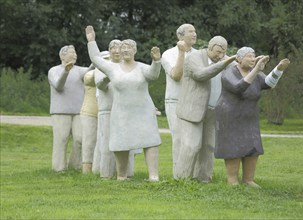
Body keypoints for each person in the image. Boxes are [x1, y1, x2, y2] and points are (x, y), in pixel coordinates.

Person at [85, 25, 162, 181]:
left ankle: (153, 175)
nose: (125, 50)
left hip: (143, 110)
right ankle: (122, 175)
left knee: (150, 140)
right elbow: (95, 59)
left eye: (129, 48)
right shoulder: (113, 68)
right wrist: (91, 41)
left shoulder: (141, 67)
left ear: (135, 51)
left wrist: (156, 61)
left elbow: (154, 75)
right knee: (121, 141)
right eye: (123, 48)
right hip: (121, 111)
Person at [214, 47, 290, 187]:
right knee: (233, 147)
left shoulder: (254, 72)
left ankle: (249, 179)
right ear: (239, 58)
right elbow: (239, 87)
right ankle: (232, 180)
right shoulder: (229, 72)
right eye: (249, 56)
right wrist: (256, 69)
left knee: (253, 145)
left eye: (254, 56)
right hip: (230, 116)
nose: (253, 59)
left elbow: (268, 84)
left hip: (249, 116)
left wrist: (278, 69)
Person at [175, 36, 236, 182]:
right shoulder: (194, 57)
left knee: (209, 146)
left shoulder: (225, 60)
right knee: (191, 145)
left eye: (223, 53)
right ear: (209, 47)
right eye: (217, 52)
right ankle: (181, 179)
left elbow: (239, 72)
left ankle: (203, 178)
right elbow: (201, 75)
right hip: (192, 110)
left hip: (213, 110)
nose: (220, 56)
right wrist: (224, 63)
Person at [161, 23, 197, 177]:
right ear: (180, 36)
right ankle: (179, 176)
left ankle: (194, 174)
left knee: (194, 140)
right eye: (190, 31)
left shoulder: (199, 54)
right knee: (179, 138)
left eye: (195, 31)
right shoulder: (168, 54)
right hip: (175, 100)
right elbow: (176, 75)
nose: (194, 34)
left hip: (195, 101)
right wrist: (182, 53)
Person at [48, 45, 91, 172]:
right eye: (72, 52)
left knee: (80, 139)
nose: (75, 55)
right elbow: (58, 86)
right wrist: (66, 71)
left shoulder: (80, 70)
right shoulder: (54, 70)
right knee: (61, 139)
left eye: (75, 52)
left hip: (78, 111)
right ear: (62, 56)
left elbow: (91, 70)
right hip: (60, 110)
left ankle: (74, 166)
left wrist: (96, 58)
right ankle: (59, 168)